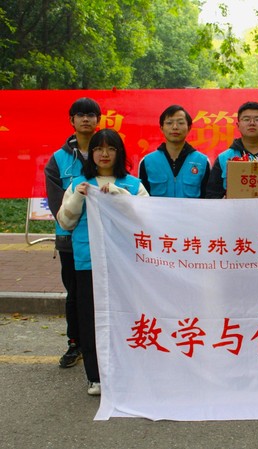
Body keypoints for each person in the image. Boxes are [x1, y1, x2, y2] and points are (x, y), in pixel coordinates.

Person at [57, 129, 149, 395]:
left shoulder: (133, 185)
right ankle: (95, 376)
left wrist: (121, 197)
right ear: (92, 153)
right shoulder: (78, 184)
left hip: (125, 264)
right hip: (88, 262)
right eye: (98, 149)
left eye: (111, 149)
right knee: (89, 319)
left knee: (126, 317)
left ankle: (126, 372)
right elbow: (65, 222)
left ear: (119, 153)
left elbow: (146, 218)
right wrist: (78, 197)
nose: (104, 154)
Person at [44, 97, 101, 369]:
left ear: (98, 120)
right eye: (80, 114)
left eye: (91, 114)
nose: (86, 119)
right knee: (75, 293)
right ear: (72, 120)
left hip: (103, 239)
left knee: (103, 292)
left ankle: (100, 343)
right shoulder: (58, 160)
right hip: (70, 239)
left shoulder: (107, 151)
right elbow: (57, 202)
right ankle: (75, 343)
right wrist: (72, 223)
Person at [139, 105, 210, 198]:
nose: (175, 127)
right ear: (161, 128)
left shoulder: (202, 161)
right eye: (169, 123)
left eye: (180, 123)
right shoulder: (147, 161)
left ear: (189, 128)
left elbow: (208, 199)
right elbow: (142, 200)